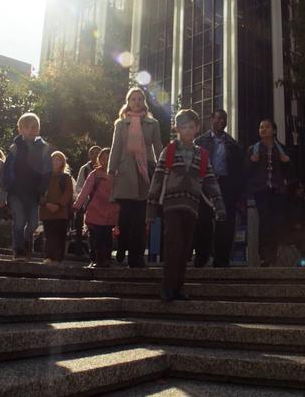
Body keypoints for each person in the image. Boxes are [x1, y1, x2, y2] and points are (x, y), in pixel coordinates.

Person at [147, 109, 226, 301]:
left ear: (197, 128)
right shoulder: (169, 150)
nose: (188, 130)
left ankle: (179, 287)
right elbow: (157, 179)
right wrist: (150, 209)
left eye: (191, 126)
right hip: (171, 205)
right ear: (177, 128)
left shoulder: (203, 155)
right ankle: (167, 287)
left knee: (186, 248)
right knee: (174, 244)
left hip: (192, 206)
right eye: (183, 126)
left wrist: (219, 205)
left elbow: (210, 182)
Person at [108, 87, 163, 268]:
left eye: (140, 99)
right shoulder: (120, 124)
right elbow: (116, 148)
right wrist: (111, 171)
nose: (137, 102)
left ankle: (136, 257)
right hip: (125, 173)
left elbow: (158, 147)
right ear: (128, 102)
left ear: (144, 102)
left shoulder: (152, 123)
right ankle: (122, 244)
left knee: (140, 220)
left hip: (144, 172)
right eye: (133, 99)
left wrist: (162, 170)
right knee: (125, 218)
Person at [193, 109, 245, 267]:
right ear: (211, 119)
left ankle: (222, 259)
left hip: (226, 185)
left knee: (226, 223)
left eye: (224, 119)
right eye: (218, 118)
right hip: (205, 185)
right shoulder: (200, 142)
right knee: (203, 221)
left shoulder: (232, 144)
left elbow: (239, 170)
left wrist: (238, 192)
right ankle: (201, 257)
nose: (221, 121)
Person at [1, 112, 54, 261]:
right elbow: (7, 169)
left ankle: (25, 241)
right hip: (16, 191)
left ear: (39, 129)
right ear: (20, 130)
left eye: (35, 127)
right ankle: (18, 250)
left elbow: (47, 171)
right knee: (19, 220)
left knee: (32, 223)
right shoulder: (15, 148)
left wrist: (43, 191)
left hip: (34, 193)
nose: (31, 130)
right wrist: (5, 191)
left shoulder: (43, 149)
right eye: (28, 127)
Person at [246, 118, 292, 267]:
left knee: (275, 221)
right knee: (265, 220)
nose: (263, 129)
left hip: (277, 190)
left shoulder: (282, 148)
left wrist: (287, 162)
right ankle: (265, 255)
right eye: (261, 127)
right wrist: (252, 161)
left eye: (266, 127)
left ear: (274, 130)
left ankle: (272, 254)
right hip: (261, 190)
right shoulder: (253, 148)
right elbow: (246, 171)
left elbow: (290, 171)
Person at [73, 147, 119, 267]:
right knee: (96, 237)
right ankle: (96, 259)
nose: (106, 161)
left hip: (111, 212)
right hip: (96, 211)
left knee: (107, 237)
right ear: (99, 160)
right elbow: (85, 191)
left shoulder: (118, 175)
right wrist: (77, 206)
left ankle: (106, 259)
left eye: (109, 159)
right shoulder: (95, 174)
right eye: (103, 159)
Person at [38, 151, 73, 265]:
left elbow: (68, 193)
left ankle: (58, 258)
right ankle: (48, 257)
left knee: (60, 235)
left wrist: (58, 205)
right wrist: (46, 203)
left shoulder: (66, 177)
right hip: (46, 211)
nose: (55, 162)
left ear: (63, 163)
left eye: (58, 160)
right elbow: (39, 193)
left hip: (61, 212)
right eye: (53, 159)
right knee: (49, 235)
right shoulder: (44, 177)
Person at [283, 180, 305, 265]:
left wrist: (302, 224)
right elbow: (282, 220)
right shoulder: (286, 202)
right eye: (300, 188)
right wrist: (293, 225)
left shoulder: (302, 202)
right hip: (288, 233)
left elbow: (304, 218)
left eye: (302, 188)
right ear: (294, 190)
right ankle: (303, 260)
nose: (302, 190)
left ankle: (303, 259)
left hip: (300, 231)